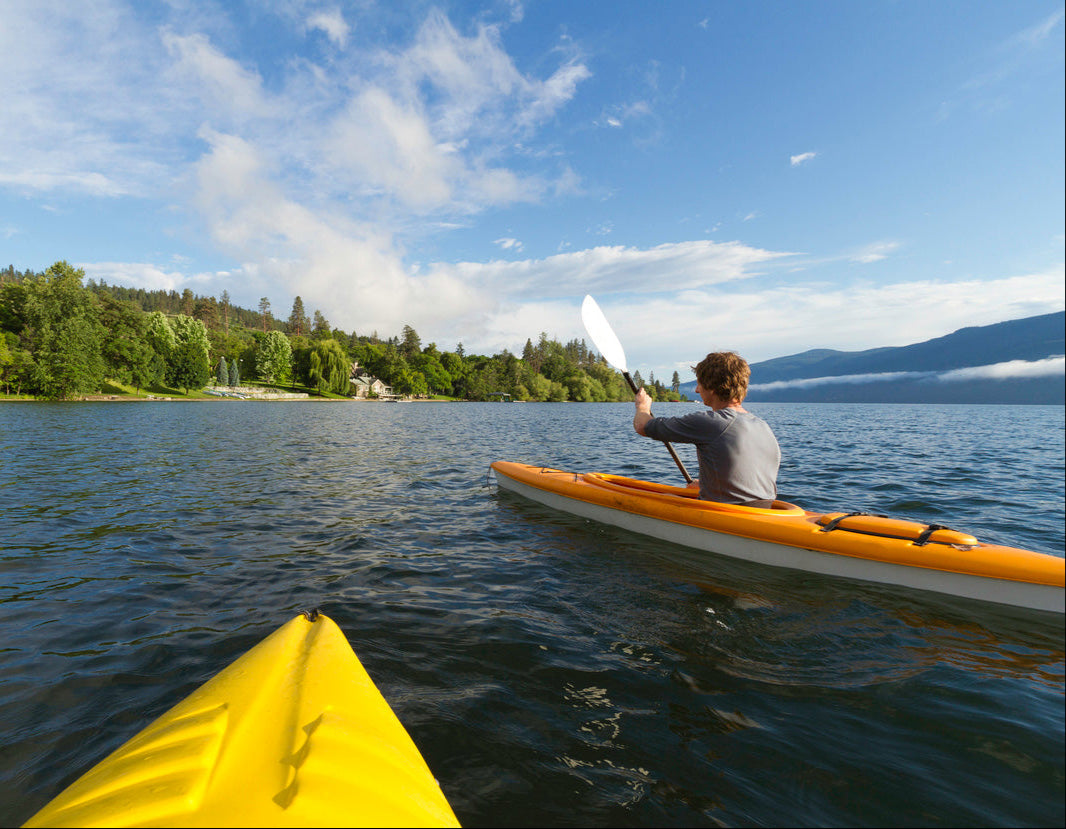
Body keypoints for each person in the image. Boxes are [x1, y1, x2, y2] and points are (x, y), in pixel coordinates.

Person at [633, 351, 780, 507]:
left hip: (728, 516)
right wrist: (707, 485)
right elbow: (744, 478)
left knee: (659, 499)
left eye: (699, 383)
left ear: (712, 386)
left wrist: (642, 407)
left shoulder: (712, 422)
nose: (697, 390)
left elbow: (642, 426)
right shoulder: (763, 426)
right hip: (766, 511)